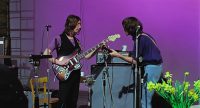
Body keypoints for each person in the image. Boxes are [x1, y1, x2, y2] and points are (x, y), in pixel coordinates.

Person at [43, 14, 99, 108]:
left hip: (75, 75)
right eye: (78, 24)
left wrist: (98, 48)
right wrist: (57, 62)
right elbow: (45, 54)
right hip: (64, 74)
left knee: (73, 102)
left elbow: (87, 56)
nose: (80, 27)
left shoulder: (77, 41)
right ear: (71, 24)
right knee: (63, 101)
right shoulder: (59, 38)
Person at [109, 17, 163, 108]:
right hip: (153, 67)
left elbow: (134, 61)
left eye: (124, 27)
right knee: (145, 98)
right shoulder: (142, 36)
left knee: (146, 99)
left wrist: (118, 55)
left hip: (153, 67)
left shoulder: (140, 38)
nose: (123, 29)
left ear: (130, 28)